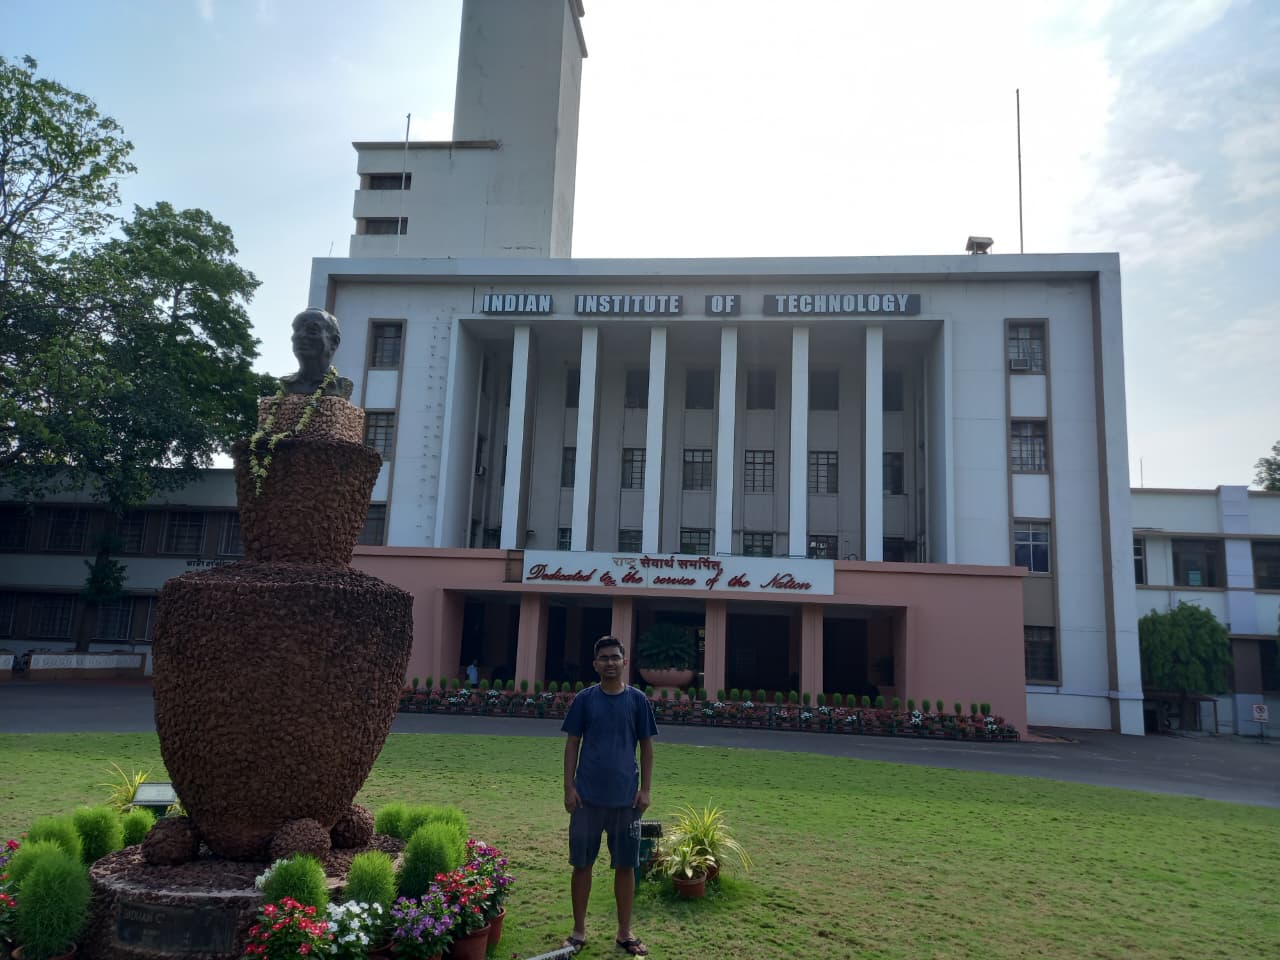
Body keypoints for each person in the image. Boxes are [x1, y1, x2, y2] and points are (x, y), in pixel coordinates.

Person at [559, 636, 656, 956]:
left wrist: (645, 791)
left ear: (624, 662)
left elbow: (647, 746)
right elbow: (572, 742)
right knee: (582, 865)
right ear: (595, 664)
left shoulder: (638, 700)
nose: (610, 662)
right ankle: (577, 931)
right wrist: (568, 787)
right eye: (604, 658)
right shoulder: (585, 700)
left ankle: (625, 932)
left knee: (625, 867)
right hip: (586, 800)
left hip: (626, 801)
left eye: (615, 657)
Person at [280, 307, 354, 399]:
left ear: (334, 342)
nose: (300, 336)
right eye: (296, 330)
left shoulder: (341, 386)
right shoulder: (287, 384)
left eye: (312, 331)